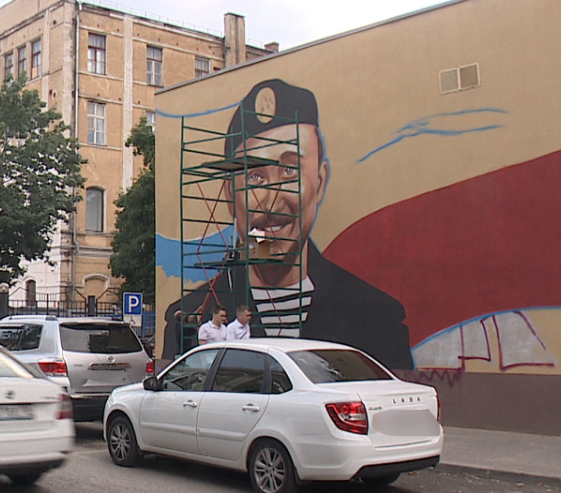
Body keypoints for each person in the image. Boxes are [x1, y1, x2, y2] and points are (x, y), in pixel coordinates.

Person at [163, 78, 414, 370]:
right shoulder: (188, 315)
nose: (272, 200)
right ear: (230, 193)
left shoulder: (376, 318)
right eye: (255, 176)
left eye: (289, 170)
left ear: (320, 182)